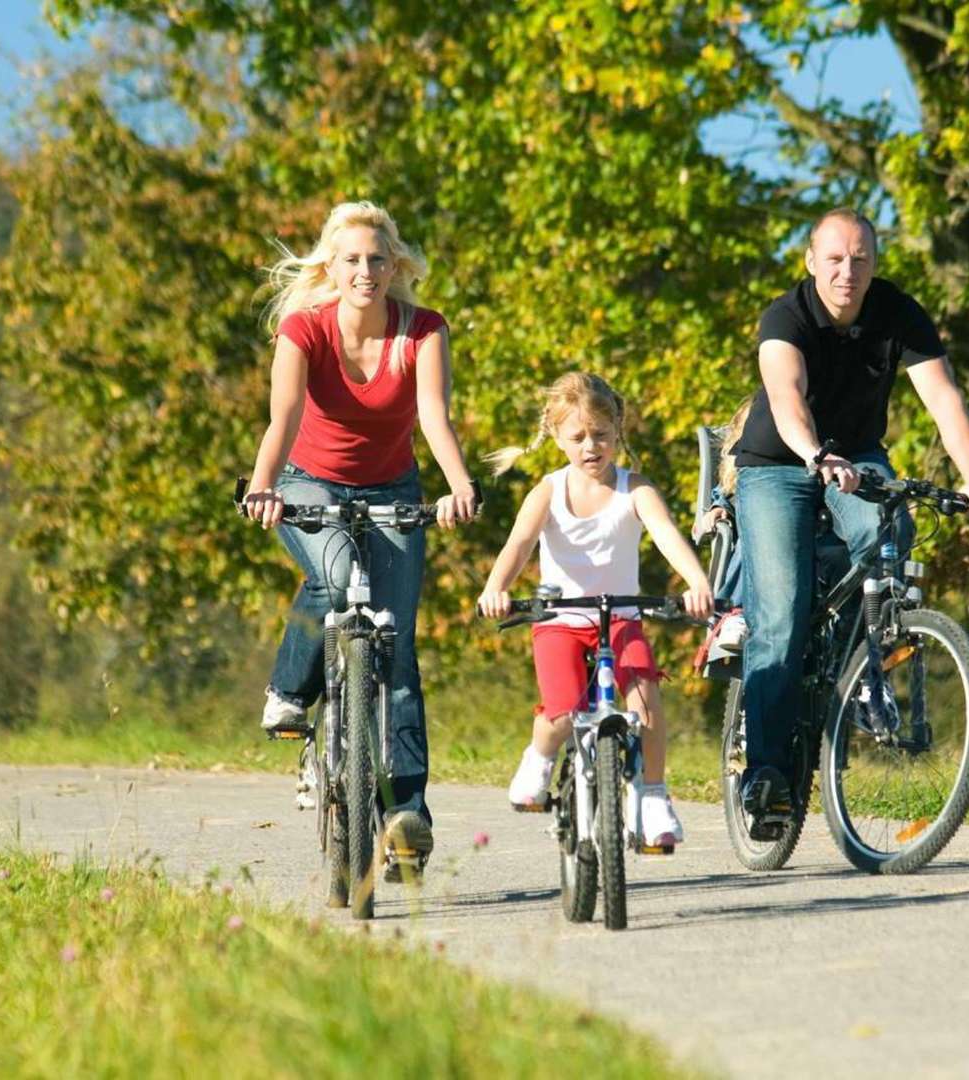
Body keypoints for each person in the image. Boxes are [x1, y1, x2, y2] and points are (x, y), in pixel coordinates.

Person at [733, 207, 969, 834]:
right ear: (811, 261)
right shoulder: (786, 316)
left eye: (859, 259)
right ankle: (766, 776)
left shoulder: (898, 313)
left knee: (891, 536)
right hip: (777, 464)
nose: (846, 271)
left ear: (875, 265)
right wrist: (814, 454)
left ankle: (860, 672)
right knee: (781, 612)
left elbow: (942, 397)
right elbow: (786, 395)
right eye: (834, 258)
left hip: (856, 457)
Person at [240, 200, 478, 866]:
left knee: (396, 651)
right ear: (331, 266)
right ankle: (290, 691)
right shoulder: (304, 330)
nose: (365, 271)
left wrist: (459, 486)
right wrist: (262, 486)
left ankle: (407, 815)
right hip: (306, 482)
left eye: (377, 259)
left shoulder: (423, 331)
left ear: (394, 264)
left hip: (392, 489)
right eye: (351, 259)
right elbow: (282, 416)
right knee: (336, 577)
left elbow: (434, 415)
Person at [476, 373, 714, 848]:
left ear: (617, 432)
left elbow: (666, 534)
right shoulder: (547, 490)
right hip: (560, 622)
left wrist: (697, 582)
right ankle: (540, 759)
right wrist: (495, 587)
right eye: (578, 437)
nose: (591, 446)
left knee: (644, 700)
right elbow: (519, 543)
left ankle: (651, 795)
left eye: (601, 435)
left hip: (621, 620)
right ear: (558, 438)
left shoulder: (635, 489)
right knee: (562, 714)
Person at [697, 393, 756, 653]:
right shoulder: (741, 477)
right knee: (757, 532)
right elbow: (726, 494)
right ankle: (735, 611)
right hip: (754, 530)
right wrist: (719, 508)